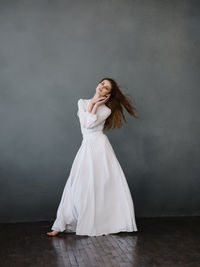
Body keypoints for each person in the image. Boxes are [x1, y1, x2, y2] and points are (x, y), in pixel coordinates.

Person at [47, 77, 139, 236]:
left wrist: (95, 105)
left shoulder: (106, 110)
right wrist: (92, 103)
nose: (102, 87)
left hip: (100, 147)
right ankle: (59, 225)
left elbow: (88, 124)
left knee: (100, 185)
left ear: (108, 95)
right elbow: (84, 122)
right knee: (77, 183)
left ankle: (103, 222)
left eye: (106, 88)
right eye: (102, 84)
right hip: (87, 146)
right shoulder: (81, 102)